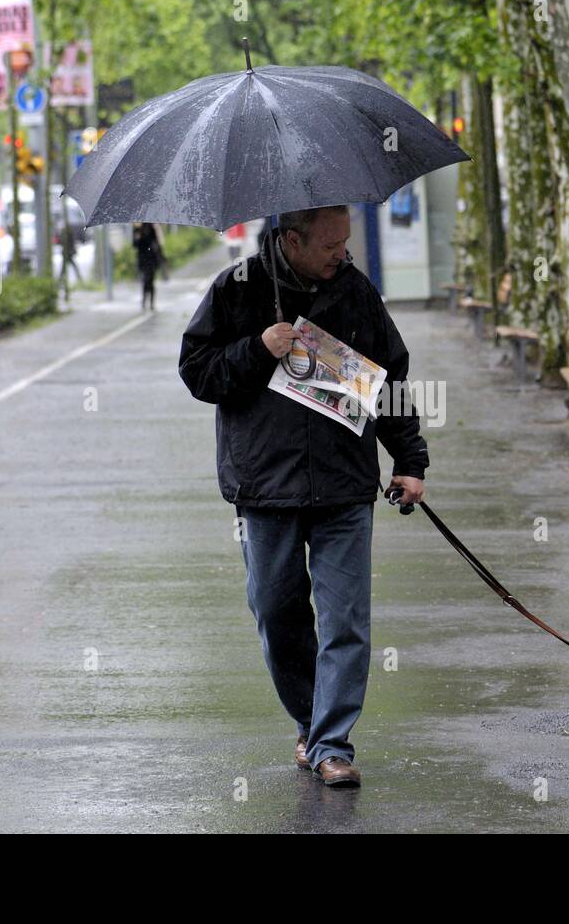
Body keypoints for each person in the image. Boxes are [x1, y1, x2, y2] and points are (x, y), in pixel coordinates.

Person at [178, 205, 428, 788]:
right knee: (277, 611)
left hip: (343, 484)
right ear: (291, 239)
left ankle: (332, 742)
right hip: (264, 486)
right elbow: (196, 372)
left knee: (346, 619)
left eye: (345, 242)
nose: (342, 253)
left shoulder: (355, 291)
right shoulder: (236, 289)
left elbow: (388, 380)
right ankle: (310, 721)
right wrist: (256, 349)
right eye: (329, 245)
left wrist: (410, 459)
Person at [133, 222, 165, 310]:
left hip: (151, 258)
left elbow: (156, 242)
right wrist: (137, 235)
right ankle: (144, 300)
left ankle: (151, 302)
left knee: (150, 280)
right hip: (142, 258)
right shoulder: (136, 228)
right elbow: (134, 244)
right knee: (145, 280)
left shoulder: (151, 226)